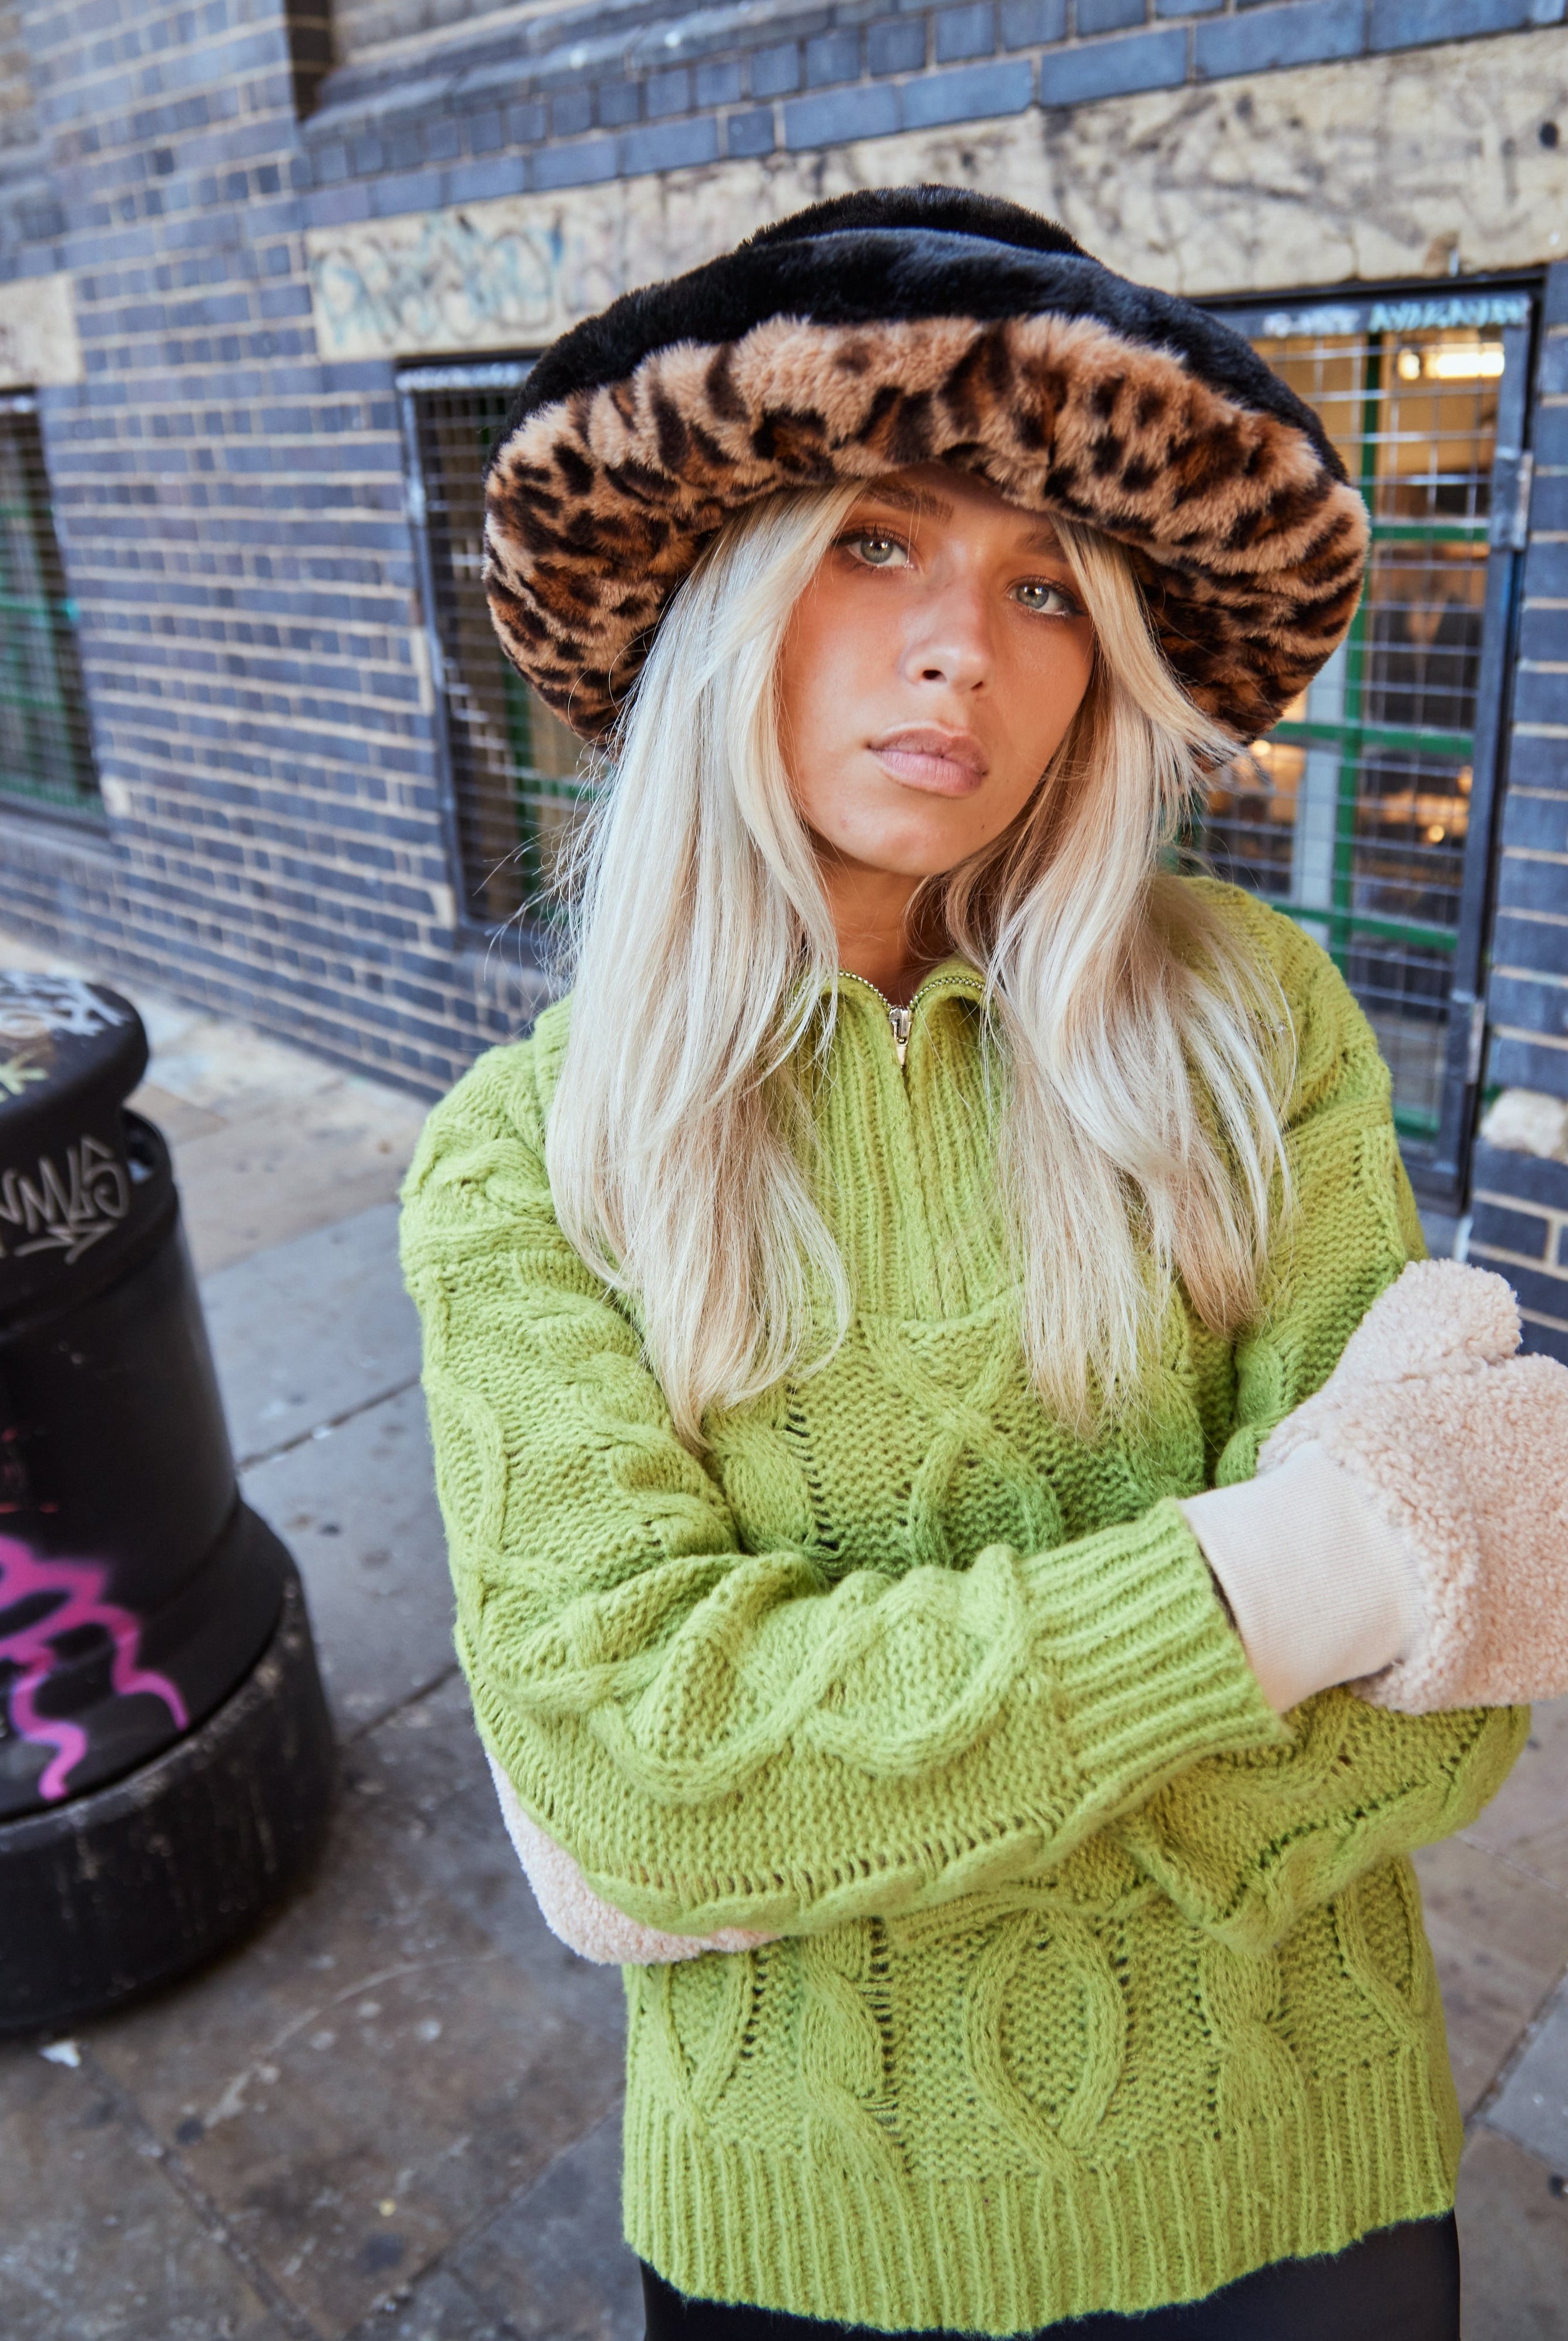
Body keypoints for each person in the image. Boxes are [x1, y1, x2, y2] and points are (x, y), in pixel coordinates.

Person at [400, 188, 1568, 2339]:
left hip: (1295, 2179)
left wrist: (807, 1823)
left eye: (1049, 584)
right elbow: (644, 1777)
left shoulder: (1255, 1022)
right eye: (879, 542)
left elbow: (1452, 1702)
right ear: (732, 586)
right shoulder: (523, 1166)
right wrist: (1293, 1580)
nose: (969, 645)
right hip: (809, 2229)